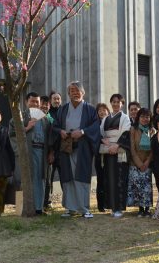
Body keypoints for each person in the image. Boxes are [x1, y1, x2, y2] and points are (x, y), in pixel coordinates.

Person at [54, 81, 101, 218]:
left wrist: (83, 132)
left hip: (83, 148)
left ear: (83, 93)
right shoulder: (62, 109)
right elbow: (55, 125)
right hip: (66, 146)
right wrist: (60, 131)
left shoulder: (90, 109)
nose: (75, 93)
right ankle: (70, 208)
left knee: (81, 176)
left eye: (77, 90)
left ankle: (84, 208)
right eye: (72, 90)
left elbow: (95, 126)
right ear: (68, 93)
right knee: (68, 177)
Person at [100, 93, 131, 218]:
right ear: (111, 103)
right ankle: (111, 206)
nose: (115, 104)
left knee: (119, 179)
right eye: (113, 102)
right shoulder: (105, 119)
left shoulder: (125, 118)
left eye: (118, 102)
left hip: (119, 151)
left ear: (122, 104)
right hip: (108, 151)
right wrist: (104, 141)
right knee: (109, 179)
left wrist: (117, 146)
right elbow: (101, 132)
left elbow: (125, 133)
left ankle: (119, 208)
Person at [127, 108, 154, 217]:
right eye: (142, 116)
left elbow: (153, 150)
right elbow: (132, 148)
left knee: (147, 187)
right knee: (137, 187)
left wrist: (147, 162)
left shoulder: (152, 130)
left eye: (147, 117)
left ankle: (147, 209)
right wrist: (139, 163)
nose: (145, 119)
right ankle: (140, 209)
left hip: (148, 163)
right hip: (135, 163)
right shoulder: (133, 129)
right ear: (138, 118)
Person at [40, 95, 54, 210]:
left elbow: (52, 138)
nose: (45, 106)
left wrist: (51, 153)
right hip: (35, 151)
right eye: (43, 104)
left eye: (47, 104)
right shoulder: (34, 117)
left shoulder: (50, 119)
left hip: (47, 152)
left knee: (47, 177)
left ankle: (46, 201)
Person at [48, 91, 62, 208]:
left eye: (58, 99)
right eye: (54, 99)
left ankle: (67, 201)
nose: (56, 101)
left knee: (64, 176)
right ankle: (48, 200)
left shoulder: (64, 111)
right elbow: (52, 128)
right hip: (51, 150)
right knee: (49, 177)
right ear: (50, 101)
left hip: (63, 150)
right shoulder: (47, 113)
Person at [95, 103, 110, 212]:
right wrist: (101, 139)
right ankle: (100, 204)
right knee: (100, 179)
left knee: (109, 179)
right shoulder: (95, 123)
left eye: (104, 110)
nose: (102, 112)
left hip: (110, 154)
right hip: (99, 155)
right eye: (99, 110)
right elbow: (95, 135)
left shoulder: (111, 122)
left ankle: (108, 202)